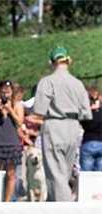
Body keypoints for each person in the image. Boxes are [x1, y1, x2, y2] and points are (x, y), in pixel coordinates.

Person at [33, 46, 92, 201]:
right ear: (68, 61)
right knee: (64, 173)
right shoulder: (78, 84)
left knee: (55, 173)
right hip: (73, 127)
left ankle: (64, 211)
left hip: (53, 125)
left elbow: (39, 109)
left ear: (51, 62)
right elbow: (86, 112)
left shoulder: (47, 82)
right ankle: (54, 206)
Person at [79, 85, 102, 171]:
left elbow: (81, 121)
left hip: (88, 142)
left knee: (86, 177)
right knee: (100, 178)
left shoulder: (86, 113)